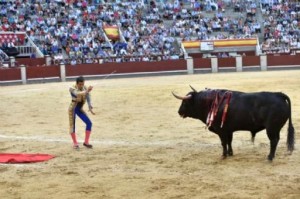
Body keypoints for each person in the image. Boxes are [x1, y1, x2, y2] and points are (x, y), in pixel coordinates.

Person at [68, 76, 95, 149]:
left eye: (82, 84)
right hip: (73, 109)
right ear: (77, 84)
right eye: (80, 84)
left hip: (79, 109)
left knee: (89, 123)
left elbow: (88, 96)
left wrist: (90, 105)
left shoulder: (85, 87)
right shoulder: (72, 88)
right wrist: (87, 91)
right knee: (72, 126)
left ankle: (86, 142)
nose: (81, 86)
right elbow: (78, 94)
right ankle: (75, 143)